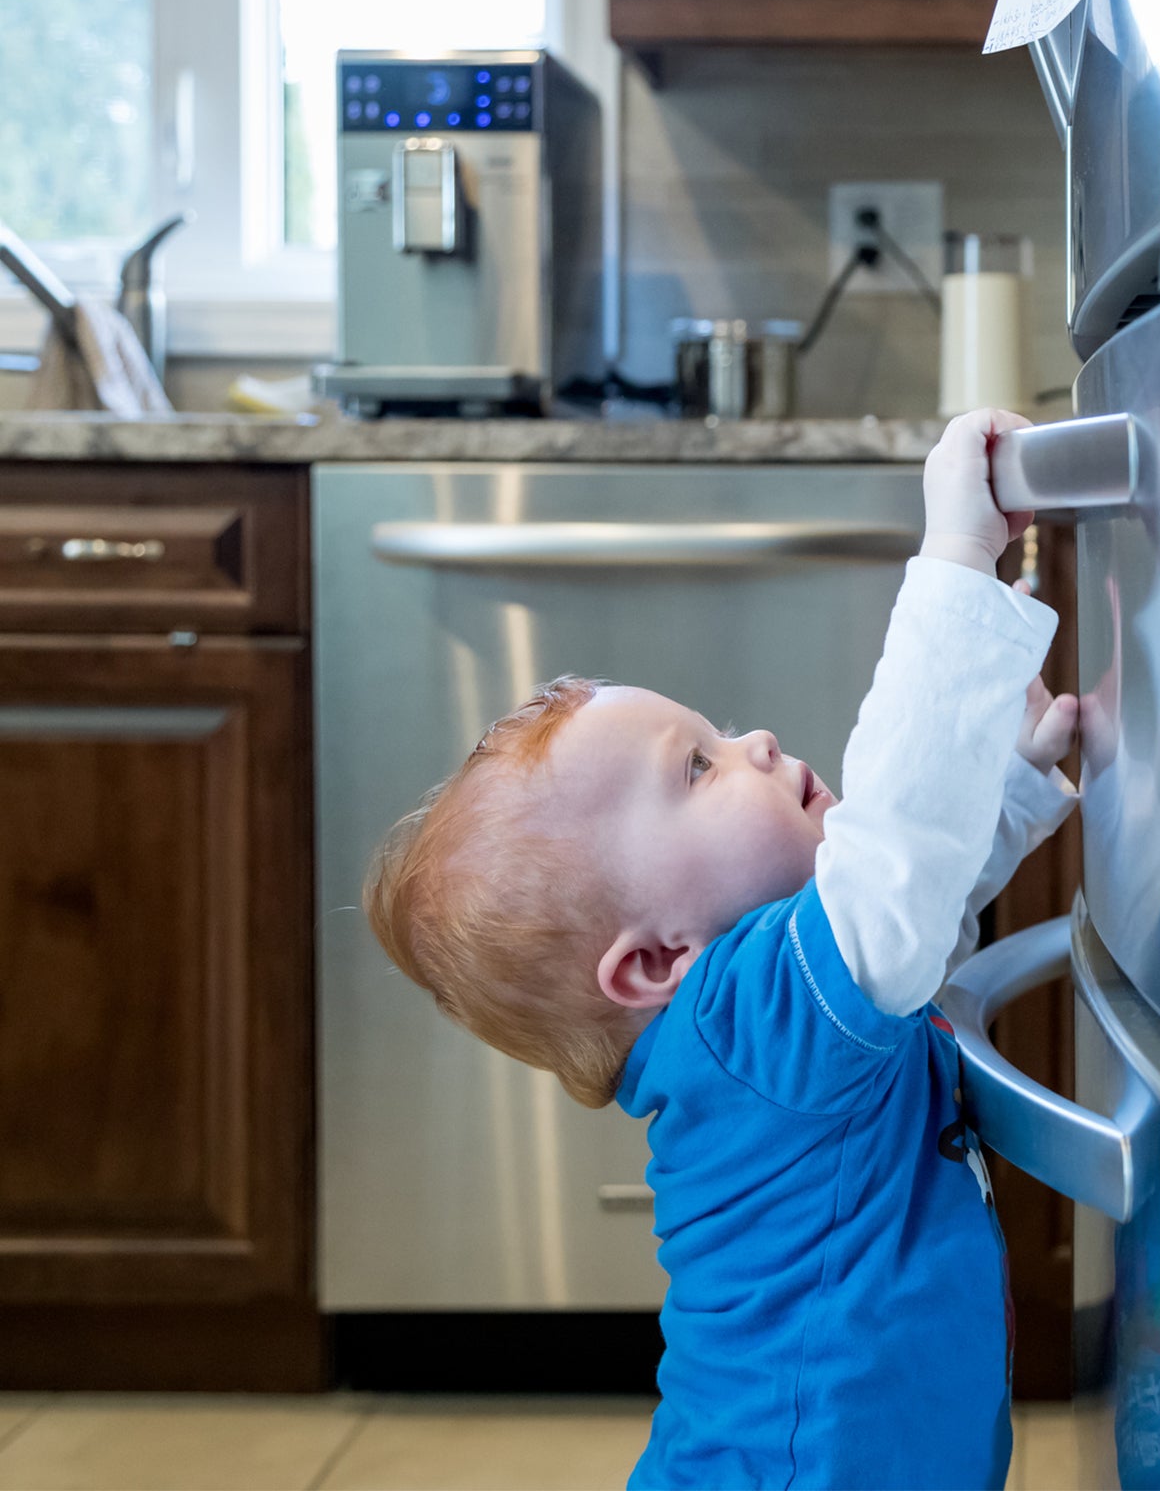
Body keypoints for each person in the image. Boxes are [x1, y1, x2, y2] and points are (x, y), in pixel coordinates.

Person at [363, 409, 1078, 1489]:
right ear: (655, 961)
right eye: (695, 768)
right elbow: (893, 862)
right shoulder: (750, 1026)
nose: (752, 742)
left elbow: (911, 909)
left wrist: (1011, 780)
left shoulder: (769, 1012)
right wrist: (956, 562)